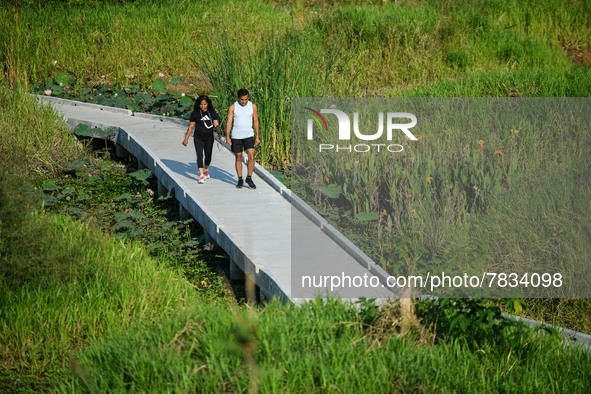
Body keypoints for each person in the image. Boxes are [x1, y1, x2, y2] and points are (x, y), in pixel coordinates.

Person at [182, 95, 222, 184]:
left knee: (208, 156)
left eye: (205, 104)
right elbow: (191, 127)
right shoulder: (195, 113)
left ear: (208, 104)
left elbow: (216, 124)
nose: (203, 106)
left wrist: (219, 133)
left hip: (209, 138)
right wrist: (186, 139)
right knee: (199, 155)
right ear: (198, 104)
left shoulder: (212, 112)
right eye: (201, 104)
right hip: (198, 138)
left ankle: (206, 169)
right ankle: (201, 176)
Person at [225, 88, 260, 189]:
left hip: (249, 135)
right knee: (238, 156)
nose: (244, 102)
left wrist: (257, 136)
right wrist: (227, 137)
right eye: (242, 100)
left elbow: (256, 121)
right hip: (236, 136)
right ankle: (240, 179)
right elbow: (229, 123)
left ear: (248, 98)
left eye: (246, 99)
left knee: (251, 156)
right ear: (238, 98)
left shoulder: (252, 106)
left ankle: (249, 177)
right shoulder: (233, 107)